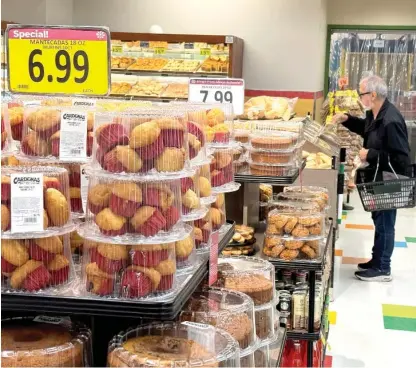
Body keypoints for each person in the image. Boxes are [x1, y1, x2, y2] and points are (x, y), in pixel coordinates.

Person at [333, 75, 410, 282]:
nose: (360, 97)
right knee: (379, 220)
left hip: (389, 178)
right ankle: (376, 261)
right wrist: (346, 119)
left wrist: (371, 154)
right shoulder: (375, 114)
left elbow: (401, 156)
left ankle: (383, 268)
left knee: (386, 223)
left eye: (362, 93)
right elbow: (364, 127)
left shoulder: (390, 120)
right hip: (377, 176)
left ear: (373, 95)